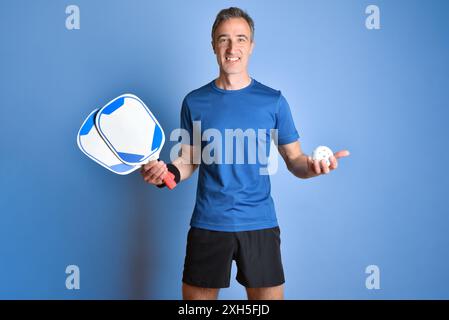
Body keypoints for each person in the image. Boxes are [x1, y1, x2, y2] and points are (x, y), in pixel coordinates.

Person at [141, 7, 350, 300]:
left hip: (260, 224)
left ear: (251, 46)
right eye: (223, 39)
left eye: (241, 38)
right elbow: (189, 160)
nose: (232, 47)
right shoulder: (194, 102)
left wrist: (313, 167)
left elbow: (295, 161)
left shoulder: (273, 101)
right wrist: (167, 174)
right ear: (213, 45)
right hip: (209, 223)